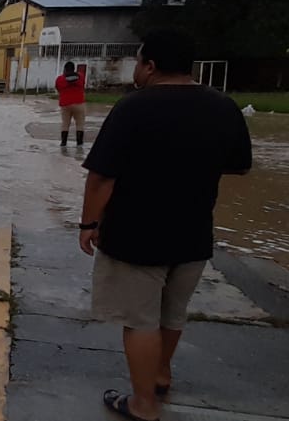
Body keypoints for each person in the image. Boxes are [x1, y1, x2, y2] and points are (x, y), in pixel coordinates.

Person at [78, 28, 251, 421]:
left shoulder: (133, 107)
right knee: (172, 314)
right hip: (194, 232)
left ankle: (143, 404)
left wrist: (88, 223)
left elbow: (102, 177)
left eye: (138, 62)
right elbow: (238, 166)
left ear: (151, 66)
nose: (136, 70)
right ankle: (159, 375)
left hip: (135, 234)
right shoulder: (224, 106)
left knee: (140, 320)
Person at [56, 61, 87, 146]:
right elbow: (83, 85)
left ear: (65, 69)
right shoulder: (81, 77)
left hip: (65, 104)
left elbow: (58, 89)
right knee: (80, 124)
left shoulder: (60, 79)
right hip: (79, 103)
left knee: (65, 124)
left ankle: (63, 143)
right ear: (74, 69)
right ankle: (79, 143)